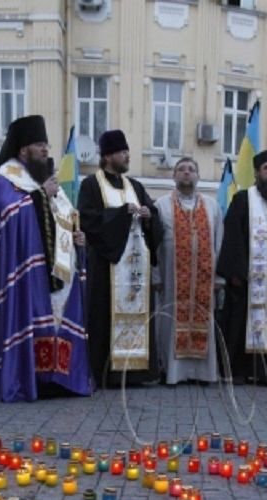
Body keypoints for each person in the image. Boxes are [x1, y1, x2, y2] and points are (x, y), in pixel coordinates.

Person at [0, 114, 91, 402]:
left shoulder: (43, 179)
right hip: (26, 268)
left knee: (56, 320)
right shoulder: (8, 175)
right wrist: (41, 195)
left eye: (46, 144)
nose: (45, 150)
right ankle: (32, 377)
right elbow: (8, 214)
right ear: (23, 149)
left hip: (57, 271)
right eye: (39, 145)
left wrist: (78, 239)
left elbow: (64, 218)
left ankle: (57, 377)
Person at [77, 129, 162, 388]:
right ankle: (106, 374)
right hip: (107, 267)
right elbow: (88, 221)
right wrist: (122, 214)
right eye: (123, 152)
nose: (127, 156)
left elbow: (155, 220)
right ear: (109, 155)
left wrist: (149, 216)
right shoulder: (91, 185)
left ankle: (137, 373)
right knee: (103, 317)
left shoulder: (135, 186)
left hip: (135, 269)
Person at [216, 150, 267, 385]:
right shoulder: (243, 198)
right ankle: (240, 371)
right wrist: (237, 272)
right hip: (248, 279)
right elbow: (233, 236)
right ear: (257, 172)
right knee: (241, 324)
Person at [153, 156, 222, 385]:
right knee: (171, 320)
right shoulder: (161, 205)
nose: (186, 173)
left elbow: (218, 242)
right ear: (174, 176)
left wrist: (218, 279)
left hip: (204, 281)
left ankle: (204, 373)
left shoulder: (212, 206)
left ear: (198, 176)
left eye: (191, 169)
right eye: (181, 169)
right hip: (172, 280)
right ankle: (172, 372)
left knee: (204, 320)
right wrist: (156, 275)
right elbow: (153, 244)